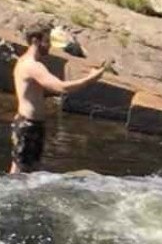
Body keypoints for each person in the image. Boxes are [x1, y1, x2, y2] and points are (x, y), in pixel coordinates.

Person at [10, 22, 108, 173]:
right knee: (20, 172)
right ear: (36, 41)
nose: (49, 45)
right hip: (28, 126)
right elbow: (61, 88)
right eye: (47, 40)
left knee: (26, 170)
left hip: (27, 123)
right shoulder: (33, 66)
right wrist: (90, 79)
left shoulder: (23, 61)